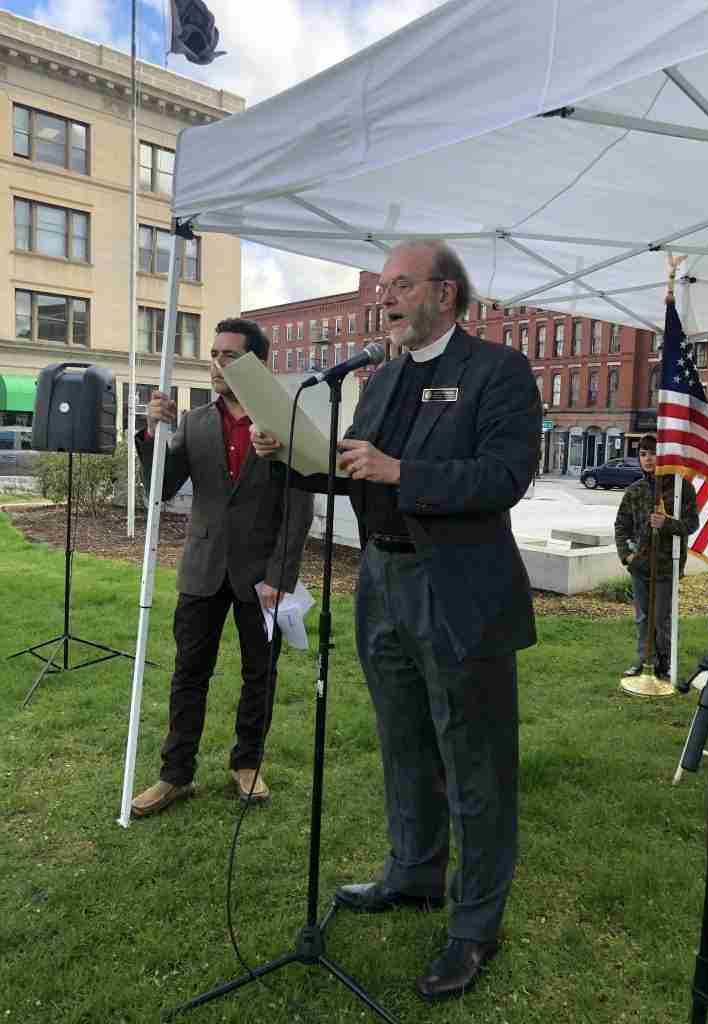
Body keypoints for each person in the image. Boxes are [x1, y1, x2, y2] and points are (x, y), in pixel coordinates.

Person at [252, 241, 541, 1003]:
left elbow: (506, 476)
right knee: (404, 739)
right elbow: (357, 474)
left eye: (400, 285)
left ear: (445, 294)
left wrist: (403, 471)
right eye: (383, 286)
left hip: (459, 590)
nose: (386, 298)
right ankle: (414, 873)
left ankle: (475, 925)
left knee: (474, 759)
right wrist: (290, 456)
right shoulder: (378, 379)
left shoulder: (497, 371)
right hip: (382, 581)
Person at [131, 318, 314, 817]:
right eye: (214, 354)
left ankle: (247, 763)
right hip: (203, 568)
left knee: (260, 674)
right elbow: (160, 489)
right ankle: (175, 774)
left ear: (257, 364)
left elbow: (299, 508)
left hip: (261, 575)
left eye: (229, 356)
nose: (217, 364)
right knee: (188, 674)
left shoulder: (284, 422)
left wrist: (280, 575)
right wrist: (152, 433)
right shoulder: (193, 422)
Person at [615, 434, 699, 680]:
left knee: (662, 618)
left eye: (653, 453)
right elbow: (621, 525)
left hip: (666, 565)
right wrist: (627, 556)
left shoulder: (681, 489)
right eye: (643, 454)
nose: (648, 459)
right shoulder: (635, 491)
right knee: (643, 617)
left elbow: (692, 524)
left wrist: (667, 524)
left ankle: (664, 662)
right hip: (640, 565)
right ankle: (644, 660)